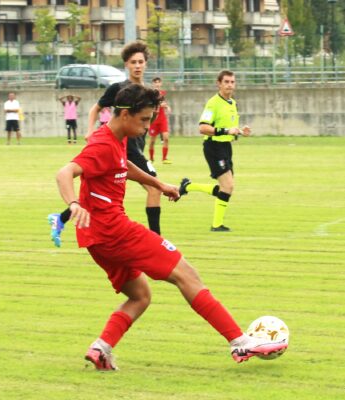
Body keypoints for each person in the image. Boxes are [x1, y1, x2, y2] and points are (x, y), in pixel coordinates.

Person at [55, 84, 287, 371]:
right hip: (115, 231)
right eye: (143, 120)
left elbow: (121, 165)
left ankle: (101, 348)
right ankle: (239, 341)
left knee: (140, 296)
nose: (147, 126)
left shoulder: (114, 138)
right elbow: (65, 172)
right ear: (125, 114)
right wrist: (74, 203)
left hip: (96, 240)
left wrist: (158, 183)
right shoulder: (102, 143)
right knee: (186, 274)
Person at [48, 41, 163, 247]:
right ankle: (157, 239)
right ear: (126, 65)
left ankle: (61, 218)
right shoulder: (119, 89)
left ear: (146, 64)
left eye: (141, 62)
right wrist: (90, 131)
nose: (137, 66)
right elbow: (96, 108)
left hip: (134, 148)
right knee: (155, 188)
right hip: (122, 149)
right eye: (133, 62)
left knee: (99, 196)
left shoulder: (146, 93)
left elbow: (148, 121)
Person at [179, 70, 251, 232]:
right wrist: (226, 131)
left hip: (226, 148)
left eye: (232, 82)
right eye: (226, 82)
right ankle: (217, 225)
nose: (230, 85)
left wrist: (240, 131)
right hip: (214, 147)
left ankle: (189, 186)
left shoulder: (232, 103)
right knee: (228, 186)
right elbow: (203, 128)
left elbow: (230, 128)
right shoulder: (213, 103)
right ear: (218, 83)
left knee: (226, 187)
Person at [148, 77, 171, 164]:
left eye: (159, 82)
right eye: (155, 82)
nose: (157, 84)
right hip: (154, 120)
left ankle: (164, 158)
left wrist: (168, 107)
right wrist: (160, 105)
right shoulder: (150, 94)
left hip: (162, 119)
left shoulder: (162, 94)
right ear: (153, 84)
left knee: (166, 138)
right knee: (152, 141)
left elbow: (164, 103)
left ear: (161, 83)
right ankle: (151, 159)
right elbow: (151, 104)